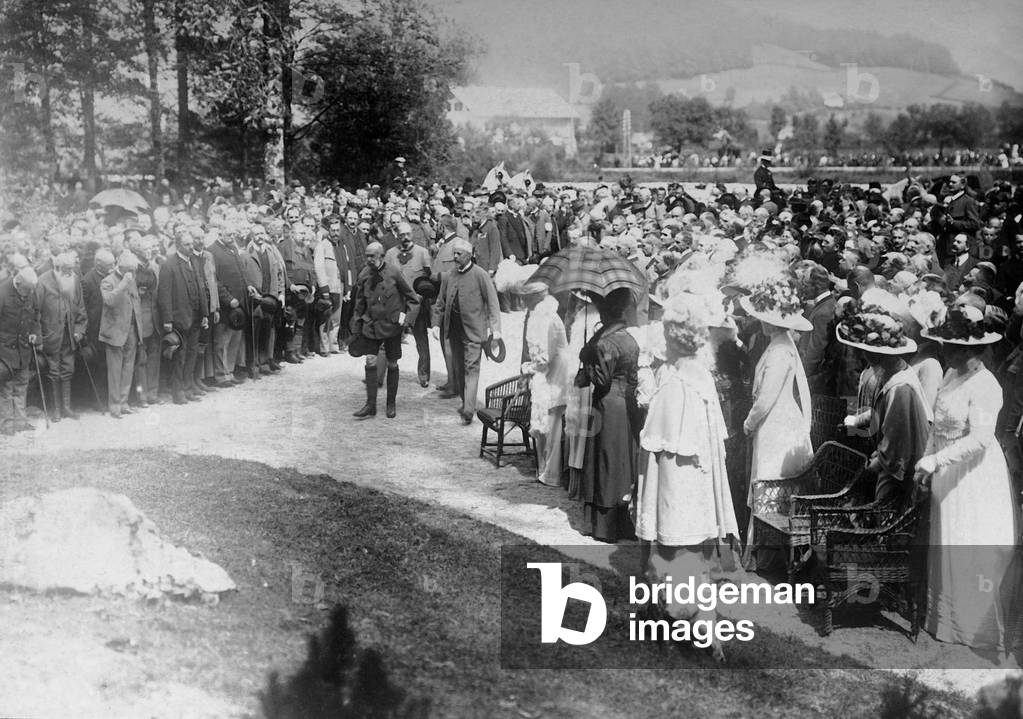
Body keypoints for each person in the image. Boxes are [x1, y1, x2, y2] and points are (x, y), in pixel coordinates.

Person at [633, 293, 740, 635]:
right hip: (698, 474)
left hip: (678, 477)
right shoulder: (698, 375)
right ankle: (686, 610)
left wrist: (648, 389)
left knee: (678, 541)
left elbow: (654, 438)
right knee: (693, 544)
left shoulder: (677, 382)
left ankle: (681, 612)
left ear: (675, 337)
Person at [915, 305, 1017, 656]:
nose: (947, 352)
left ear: (972, 350)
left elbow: (980, 439)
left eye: (954, 348)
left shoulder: (986, 385)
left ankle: (973, 627)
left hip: (974, 476)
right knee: (946, 540)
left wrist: (936, 460)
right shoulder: (949, 373)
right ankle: (944, 620)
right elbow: (938, 423)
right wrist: (926, 460)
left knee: (968, 543)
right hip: (947, 472)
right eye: (946, 346)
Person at [740, 280, 814, 563]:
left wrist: (749, 423)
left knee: (771, 481)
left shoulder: (782, 351)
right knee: (766, 482)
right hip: (774, 423)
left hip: (777, 423)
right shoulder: (777, 345)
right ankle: (765, 551)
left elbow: (767, 398)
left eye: (763, 318)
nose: (759, 323)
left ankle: (770, 555)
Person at [837, 304, 932, 509]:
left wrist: (870, 469)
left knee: (885, 511)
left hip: (899, 467)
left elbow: (897, 446)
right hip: (890, 459)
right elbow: (882, 416)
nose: (862, 356)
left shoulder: (900, 387)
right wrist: (857, 421)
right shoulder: (887, 374)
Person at [574, 288, 641, 543]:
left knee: (604, 461)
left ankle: (604, 526)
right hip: (626, 403)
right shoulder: (629, 339)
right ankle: (625, 521)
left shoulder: (604, 343)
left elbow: (601, 380)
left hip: (606, 404)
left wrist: (588, 361)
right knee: (622, 460)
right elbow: (632, 378)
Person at [431, 238, 502, 425]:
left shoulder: (480, 275)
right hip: (453, 331)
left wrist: (496, 330)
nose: (455, 257)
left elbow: (493, 304)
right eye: (453, 253)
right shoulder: (449, 275)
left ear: (469, 255)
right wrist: (436, 324)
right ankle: (466, 402)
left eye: (459, 254)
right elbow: (440, 302)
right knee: (458, 368)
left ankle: (469, 409)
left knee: (472, 369)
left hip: (474, 332)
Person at [349, 242, 420, 419]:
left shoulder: (394, 273)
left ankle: (391, 404)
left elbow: (413, 299)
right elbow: (359, 304)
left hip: (392, 327)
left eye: (372, 256)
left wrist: (406, 321)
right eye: (367, 256)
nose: (368, 259)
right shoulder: (364, 274)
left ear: (381, 256)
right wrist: (356, 328)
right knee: (370, 361)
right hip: (371, 326)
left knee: (392, 364)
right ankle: (370, 405)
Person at [518, 281, 570, 486]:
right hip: (545, 377)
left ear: (535, 298)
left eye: (526, 298)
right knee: (542, 426)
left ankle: (552, 474)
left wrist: (527, 369)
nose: (523, 302)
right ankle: (542, 469)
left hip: (555, 378)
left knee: (552, 426)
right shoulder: (537, 316)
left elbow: (544, 358)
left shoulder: (549, 319)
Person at [158, 228, 209, 404]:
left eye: (191, 243)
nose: (191, 246)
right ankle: (177, 391)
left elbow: (201, 287)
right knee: (179, 355)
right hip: (179, 318)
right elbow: (164, 295)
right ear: (179, 245)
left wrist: (204, 313)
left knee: (192, 354)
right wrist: (167, 320)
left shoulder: (194, 261)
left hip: (195, 316)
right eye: (187, 244)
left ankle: (188, 388)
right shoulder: (169, 264)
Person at [35, 252, 87, 421]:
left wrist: (80, 329)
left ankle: (66, 408)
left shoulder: (75, 279)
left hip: (70, 336)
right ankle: (56, 410)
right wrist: (39, 338)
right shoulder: (42, 281)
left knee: (68, 370)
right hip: (50, 336)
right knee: (53, 372)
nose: (70, 273)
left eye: (72, 269)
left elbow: (81, 308)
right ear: (57, 268)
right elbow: (35, 312)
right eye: (67, 269)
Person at [385, 223, 432, 387]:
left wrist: (422, 295)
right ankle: (382, 372)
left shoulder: (422, 253)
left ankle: (424, 374)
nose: (405, 238)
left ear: (412, 234)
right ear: (397, 235)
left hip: (416, 303)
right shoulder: (390, 254)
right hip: (396, 303)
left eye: (407, 234)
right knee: (389, 337)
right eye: (401, 234)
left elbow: (428, 278)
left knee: (421, 339)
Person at [99, 251, 144, 419]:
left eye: (133, 269)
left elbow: (135, 303)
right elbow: (108, 301)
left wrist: (138, 327)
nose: (131, 272)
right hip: (115, 332)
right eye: (129, 269)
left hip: (131, 329)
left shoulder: (131, 277)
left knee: (128, 368)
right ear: (120, 266)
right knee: (115, 370)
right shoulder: (107, 280)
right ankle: (114, 404)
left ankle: (124, 402)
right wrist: (123, 284)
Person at [0, 266, 41, 434]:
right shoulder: (2, 292)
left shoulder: (31, 290)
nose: (28, 295)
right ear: (17, 283)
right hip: (5, 351)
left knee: (22, 386)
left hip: (24, 349)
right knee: (6, 388)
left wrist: (34, 333)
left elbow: (36, 316)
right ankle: (7, 425)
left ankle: (21, 422)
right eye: (25, 291)